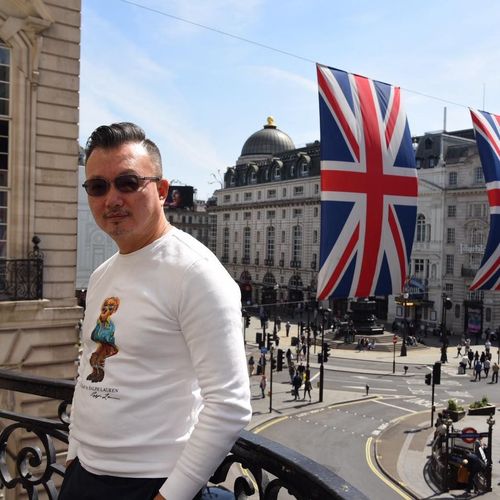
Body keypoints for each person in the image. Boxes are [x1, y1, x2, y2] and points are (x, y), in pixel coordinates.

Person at [61, 123, 251, 500]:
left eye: (128, 183)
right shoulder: (101, 275)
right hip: (84, 477)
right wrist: (74, 456)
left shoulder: (195, 273)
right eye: (97, 187)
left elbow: (229, 404)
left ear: (162, 191)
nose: (112, 198)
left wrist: (171, 495)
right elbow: (89, 372)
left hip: (150, 482)